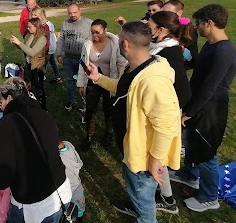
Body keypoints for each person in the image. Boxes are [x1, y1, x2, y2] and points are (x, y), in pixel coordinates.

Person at [86, 22, 181, 223]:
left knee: (144, 197)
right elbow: (122, 89)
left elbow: (167, 125)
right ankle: (135, 206)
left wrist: (155, 159)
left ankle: (145, 218)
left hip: (144, 158)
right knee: (135, 189)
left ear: (125, 44)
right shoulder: (133, 68)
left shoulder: (153, 81)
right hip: (130, 148)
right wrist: (98, 78)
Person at [169, 4, 236, 212]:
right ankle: (189, 175)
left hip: (210, 110)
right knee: (191, 141)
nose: (196, 27)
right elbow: (199, 71)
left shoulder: (224, 52)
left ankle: (209, 196)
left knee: (207, 153)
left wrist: (189, 113)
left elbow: (209, 88)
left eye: (198, 23)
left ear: (210, 23)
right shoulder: (210, 45)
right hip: (197, 103)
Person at [0, 77, 72, 222]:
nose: (1, 107)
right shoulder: (45, 115)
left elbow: (4, 174)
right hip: (60, 190)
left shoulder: (7, 124)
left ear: (8, 97)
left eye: (1, 102)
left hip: (34, 204)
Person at [146, 11, 193, 214]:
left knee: (159, 156)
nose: (147, 30)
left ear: (161, 29)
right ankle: (164, 194)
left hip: (165, 113)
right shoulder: (163, 48)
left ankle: (167, 198)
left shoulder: (168, 54)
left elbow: (183, 90)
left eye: (150, 27)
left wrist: (170, 110)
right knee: (158, 155)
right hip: (163, 110)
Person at [77, 19, 127, 151]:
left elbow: (122, 64)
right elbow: (83, 64)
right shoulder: (87, 44)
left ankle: (109, 133)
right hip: (92, 82)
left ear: (105, 30)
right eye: (92, 32)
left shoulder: (115, 43)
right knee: (90, 109)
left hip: (109, 82)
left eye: (98, 32)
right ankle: (89, 135)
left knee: (109, 109)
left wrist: (121, 83)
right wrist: (81, 83)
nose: (94, 36)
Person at [56, 4, 93, 111]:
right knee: (70, 81)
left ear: (80, 11)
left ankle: (85, 102)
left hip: (83, 59)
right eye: (70, 13)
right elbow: (61, 39)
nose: (72, 15)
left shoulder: (88, 23)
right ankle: (71, 100)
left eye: (75, 12)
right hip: (68, 58)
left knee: (84, 82)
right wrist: (59, 53)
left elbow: (94, 40)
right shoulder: (65, 23)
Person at [10, 18, 48, 110]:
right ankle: (32, 106)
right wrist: (16, 43)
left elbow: (32, 52)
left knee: (39, 89)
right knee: (28, 87)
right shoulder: (29, 35)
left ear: (36, 27)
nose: (28, 28)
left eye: (30, 27)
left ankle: (43, 109)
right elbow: (25, 48)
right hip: (29, 64)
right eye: (28, 26)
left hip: (38, 66)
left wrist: (19, 43)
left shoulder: (42, 38)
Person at [162, 0, 198, 69]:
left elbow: (193, 58)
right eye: (163, 12)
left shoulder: (188, 30)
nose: (164, 15)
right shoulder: (161, 26)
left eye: (168, 12)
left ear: (180, 13)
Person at [32, 7, 62, 84]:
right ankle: (58, 77)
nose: (33, 17)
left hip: (49, 48)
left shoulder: (48, 25)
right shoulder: (43, 24)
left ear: (40, 15)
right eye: (32, 15)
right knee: (52, 62)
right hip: (49, 48)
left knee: (43, 63)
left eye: (35, 15)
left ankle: (42, 78)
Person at [58, 139, 85, 223]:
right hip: (77, 190)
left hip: (66, 194)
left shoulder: (55, 159)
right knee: (78, 213)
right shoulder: (68, 145)